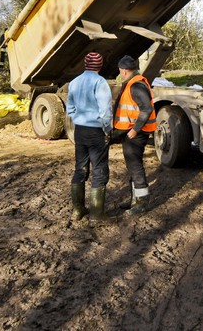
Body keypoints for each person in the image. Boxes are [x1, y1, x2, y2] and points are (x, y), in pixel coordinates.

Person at [65, 52, 113, 225]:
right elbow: (105, 111)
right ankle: (96, 215)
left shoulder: (75, 82)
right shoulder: (100, 82)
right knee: (99, 170)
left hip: (80, 130)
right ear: (100, 66)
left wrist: (77, 117)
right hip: (96, 131)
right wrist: (107, 129)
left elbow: (69, 107)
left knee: (80, 169)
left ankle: (77, 210)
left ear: (85, 64)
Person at [113, 55, 156, 214]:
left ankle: (142, 203)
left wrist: (135, 129)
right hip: (131, 132)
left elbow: (146, 109)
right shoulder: (133, 82)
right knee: (132, 166)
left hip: (136, 134)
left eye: (120, 71)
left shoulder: (136, 86)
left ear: (124, 71)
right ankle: (134, 199)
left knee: (136, 167)